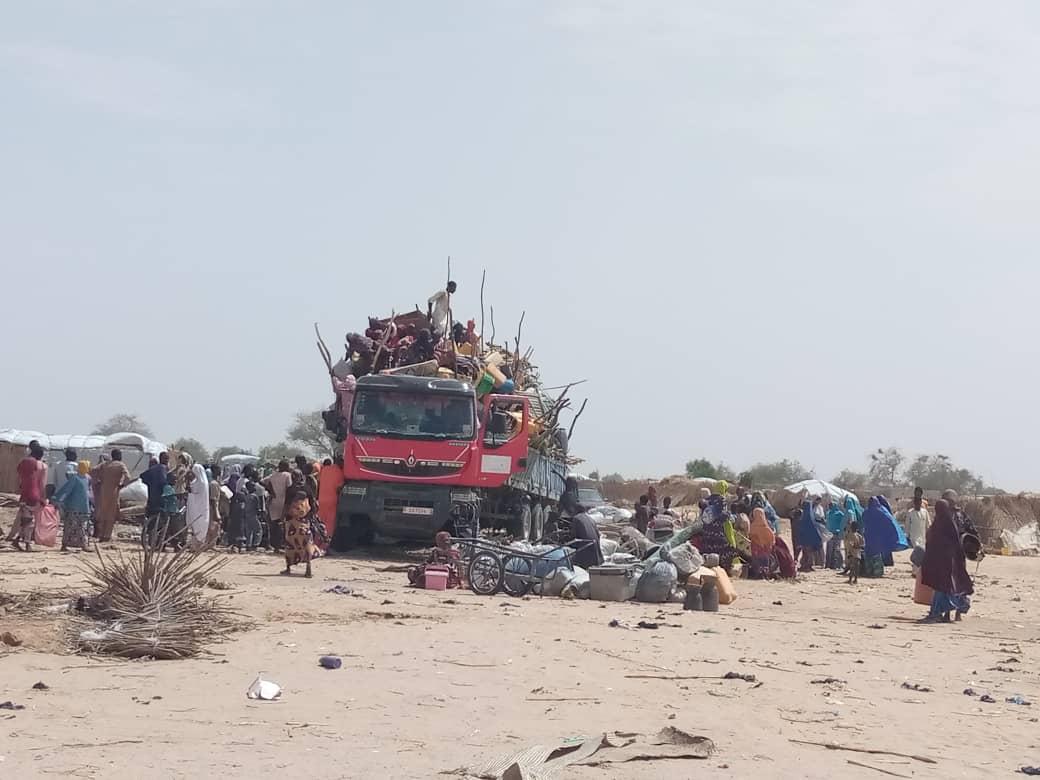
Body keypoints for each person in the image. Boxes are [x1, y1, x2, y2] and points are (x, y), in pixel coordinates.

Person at [920, 499, 974, 622]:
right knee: (951, 586)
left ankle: (938, 613)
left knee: (943, 588)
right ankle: (947, 614)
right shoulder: (950, 524)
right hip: (952, 562)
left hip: (944, 563)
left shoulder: (939, 525)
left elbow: (934, 543)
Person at [9, 441, 47, 551]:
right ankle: (27, 543)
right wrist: (43, 498)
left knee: (25, 520)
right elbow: (41, 485)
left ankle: (18, 540)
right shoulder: (38, 466)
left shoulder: (24, 465)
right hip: (33, 496)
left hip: (24, 496)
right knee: (30, 522)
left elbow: (20, 480)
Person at [91, 449, 132, 543]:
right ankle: (107, 536)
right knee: (111, 514)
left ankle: (101, 534)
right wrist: (121, 485)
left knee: (103, 512)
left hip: (103, 490)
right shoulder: (121, 465)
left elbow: (93, 471)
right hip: (114, 491)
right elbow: (128, 477)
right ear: (119, 456)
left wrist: (99, 480)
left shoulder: (105, 464)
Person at [53, 460, 93, 552]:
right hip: (73, 506)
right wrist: (59, 500)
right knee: (70, 526)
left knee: (82, 526)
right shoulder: (75, 478)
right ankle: (65, 545)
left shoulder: (87, 478)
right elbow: (67, 490)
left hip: (84, 507)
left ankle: (83, 544)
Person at [282, 487, 318, 578]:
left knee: (290, 548)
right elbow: (313, 511)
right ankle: (308, 569)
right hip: (305, 527)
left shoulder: (295, 504)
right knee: (306, 547)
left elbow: (288, 513)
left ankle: (288, 568)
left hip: (293, 529)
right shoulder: (308, 504)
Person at [262, 460, 293, 551]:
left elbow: (262, 481)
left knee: (274, 525)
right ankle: (281, 545)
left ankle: (275, 545)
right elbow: (289, 487)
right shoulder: (288, 475)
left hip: (274, 502)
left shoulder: (273, 475)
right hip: (284, 502)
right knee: (283, 525)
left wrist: (271, 491)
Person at [140, 453, 170, 545]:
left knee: (151, 521)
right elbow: (164, 482)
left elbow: (142, 476)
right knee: (166, 520)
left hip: (151, 499)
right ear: (166, 460)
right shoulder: (164, 469)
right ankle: (162, 543)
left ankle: (150, 539)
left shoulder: (153, 468)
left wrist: (150, 483)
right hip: (161, 500)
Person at [317, 457, 345, 547]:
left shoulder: (324, 469)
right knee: (329, 523)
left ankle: (317, 542)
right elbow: (339, 488)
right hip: (331, 500)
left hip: (321, 500)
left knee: (320, 521)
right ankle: (325, 546)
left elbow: (318, 481)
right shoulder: (340, 472)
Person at [184, 456, 210, 549]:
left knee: (198, 525)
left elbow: (190, 490)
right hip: (201, 508)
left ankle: (196, 546)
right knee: (199, 526)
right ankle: (195, 545)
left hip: (198, 509)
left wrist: (187, 481)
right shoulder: (203, 482)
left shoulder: (200, 483)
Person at [159, 472, 186, 550]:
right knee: (173, 529)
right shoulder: (167, 487)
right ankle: (173, 545)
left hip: (173, 510)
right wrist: (178, 495)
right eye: (174, 479)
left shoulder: (171, 488)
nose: (175, 481)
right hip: (169, 511)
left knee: (171, 529)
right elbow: (167, 496)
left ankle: (171, 545)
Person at [748, 507, 776, 579]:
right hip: (765, 551)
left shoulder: (752, 527)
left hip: (756, 550)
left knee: (756, 562)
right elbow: (772, 539)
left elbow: (749, 536)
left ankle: (757, 574)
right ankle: (765, 574)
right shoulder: (767, 528)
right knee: (765, 562)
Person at [844, 520, 864, 584]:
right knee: (856, 567)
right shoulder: (859, 535)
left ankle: (850, 579)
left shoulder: (851, 535)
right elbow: (862, 544)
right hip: (857, 553)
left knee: (852, 567)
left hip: (852, 553)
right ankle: (855, 579)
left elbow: (850, 544)